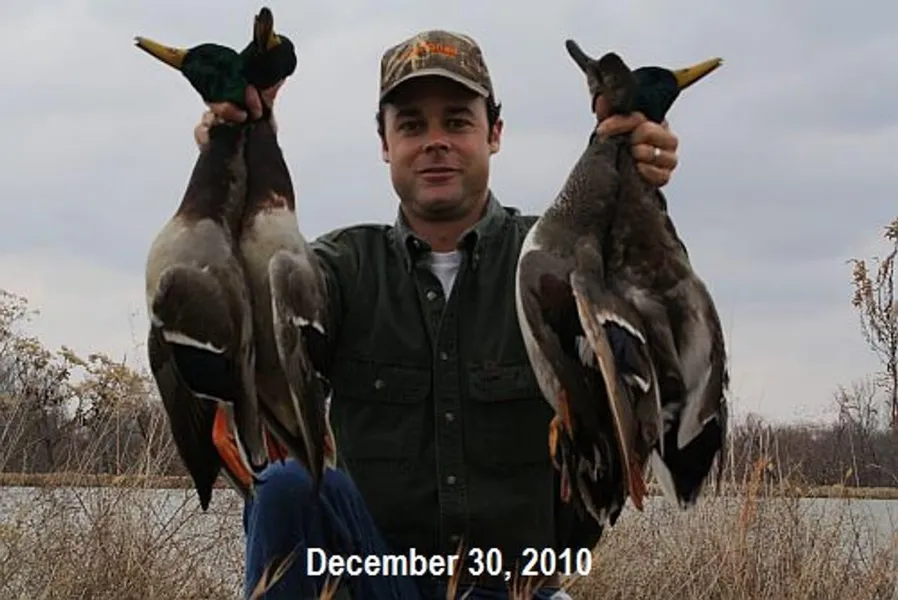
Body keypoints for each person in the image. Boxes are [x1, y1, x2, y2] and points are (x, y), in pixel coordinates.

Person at [195, 29, 681, 600]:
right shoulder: (339, 271)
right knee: (286, 487)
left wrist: (633, 170)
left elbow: (654, 340)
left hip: (516, 588)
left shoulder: (560, 264)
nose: (435, 143)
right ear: (384, 142)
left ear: (494, 133)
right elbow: (245, 346)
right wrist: (239, 155)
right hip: (377, 585)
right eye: (411, 125)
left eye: (456, 122)